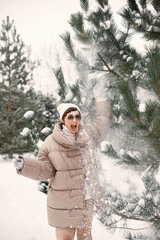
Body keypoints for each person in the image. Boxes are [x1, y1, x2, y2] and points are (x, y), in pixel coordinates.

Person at [13, 90, 112, 240]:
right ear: (63, 119)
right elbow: (45, 169)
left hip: (86, 198)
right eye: (70, 117)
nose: (74, 120)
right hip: (64, 202)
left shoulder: (88, 134)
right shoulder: (51, 142)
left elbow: (103, 120)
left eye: (77, 116)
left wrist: (101, 98)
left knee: (85, 237)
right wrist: (24, 165)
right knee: (65, 237)